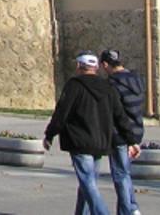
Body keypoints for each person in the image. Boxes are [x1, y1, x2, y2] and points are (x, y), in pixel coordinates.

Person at [44, 52, 141, 215]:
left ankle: (102, 212)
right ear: (96, 67)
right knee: (88, 182)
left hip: (79, 140)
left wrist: (49, 134)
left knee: (88, 182)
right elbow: (120, 116)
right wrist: (131, 140)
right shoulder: (108, 87)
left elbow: (62, 112)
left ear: (78, 66)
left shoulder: (74, 85)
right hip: (100, 141)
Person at [101, 49, 146, 215]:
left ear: (105, 65)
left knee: (120, 174)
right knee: (125, 173)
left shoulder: (112, 84)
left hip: (120, 134)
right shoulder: (137, 80)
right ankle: (130, 207)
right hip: (136, 131)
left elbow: (116, 113)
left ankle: (129, 210)